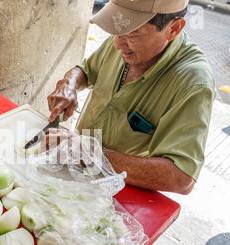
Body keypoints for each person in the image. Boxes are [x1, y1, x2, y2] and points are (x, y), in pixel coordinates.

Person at [46, 0, 216, 195]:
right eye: (116, 31)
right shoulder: (121, 41)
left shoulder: (193, 82)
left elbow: (181, 178)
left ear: (173, 28)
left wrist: (91, 153)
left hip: (120, 190)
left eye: (132, 33)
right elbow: (86, 70)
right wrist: (69, 83)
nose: (117, 44)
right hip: (77, 163)